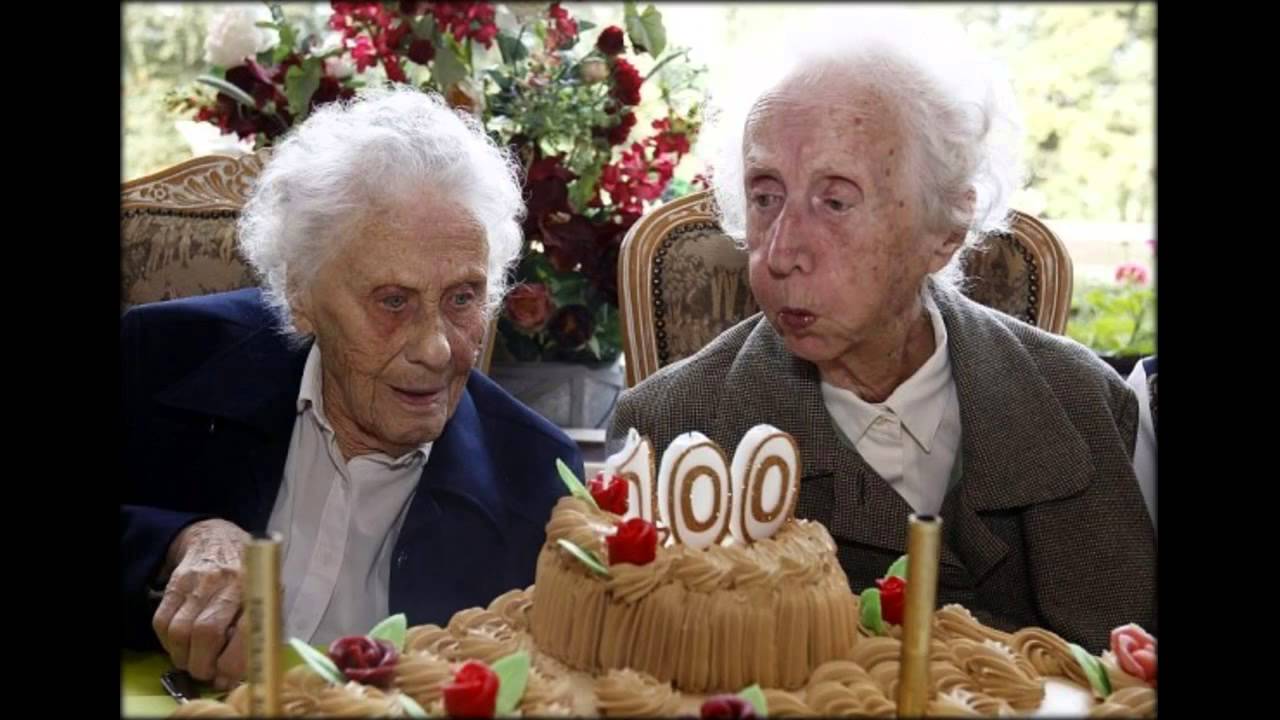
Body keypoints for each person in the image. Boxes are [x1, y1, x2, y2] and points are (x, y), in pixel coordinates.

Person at [608, 11, 1154, 652]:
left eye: (835, 201)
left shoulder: (1085, 403)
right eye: (765, 196)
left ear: (946, 227)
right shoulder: (667, 429)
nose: (780, 252)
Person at [122, 88, 583, 688]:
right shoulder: (166, 358)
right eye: (393, 301)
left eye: (462, 298)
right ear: (300, 293)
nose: (437, 349)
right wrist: (181, 539)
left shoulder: (537, 480)